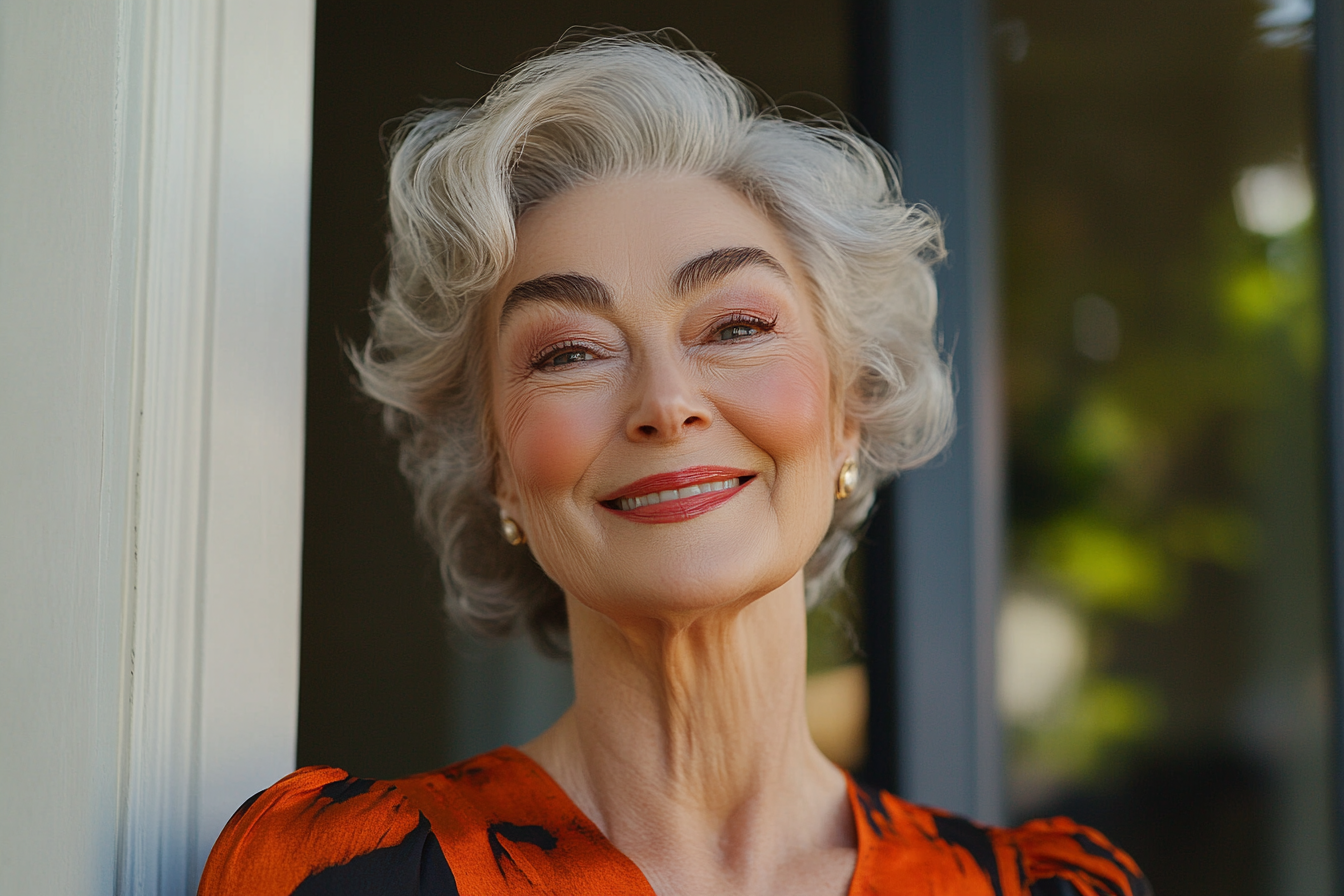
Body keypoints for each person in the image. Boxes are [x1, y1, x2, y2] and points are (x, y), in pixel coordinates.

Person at [198, 32, 1150, 896]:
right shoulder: (344, 877)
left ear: (850, 413)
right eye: (568, 351)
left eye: (735, 327)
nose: (664, 401)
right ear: (493, 464)